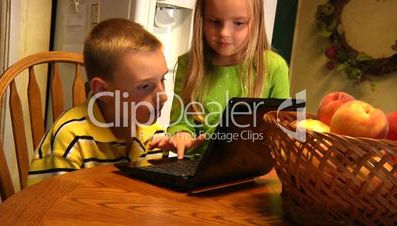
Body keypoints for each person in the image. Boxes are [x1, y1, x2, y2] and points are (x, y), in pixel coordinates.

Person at [27, 18, 169, 185]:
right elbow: (53, 207)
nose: (163, 96)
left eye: (163, 79)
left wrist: (174, 163)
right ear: (103, 90)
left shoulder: (154, 135)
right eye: (145, 86)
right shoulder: (71, 141)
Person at [149, 0, 290, 159]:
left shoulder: (274, 67)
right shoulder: (188, 64)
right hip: (197, 169)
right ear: (201, 19)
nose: (224, 33)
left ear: (256, 22)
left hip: (251, 169)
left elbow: (281, 130)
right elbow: (181, 122)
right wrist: (181, 136)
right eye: (215, 22)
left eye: (238, 23)